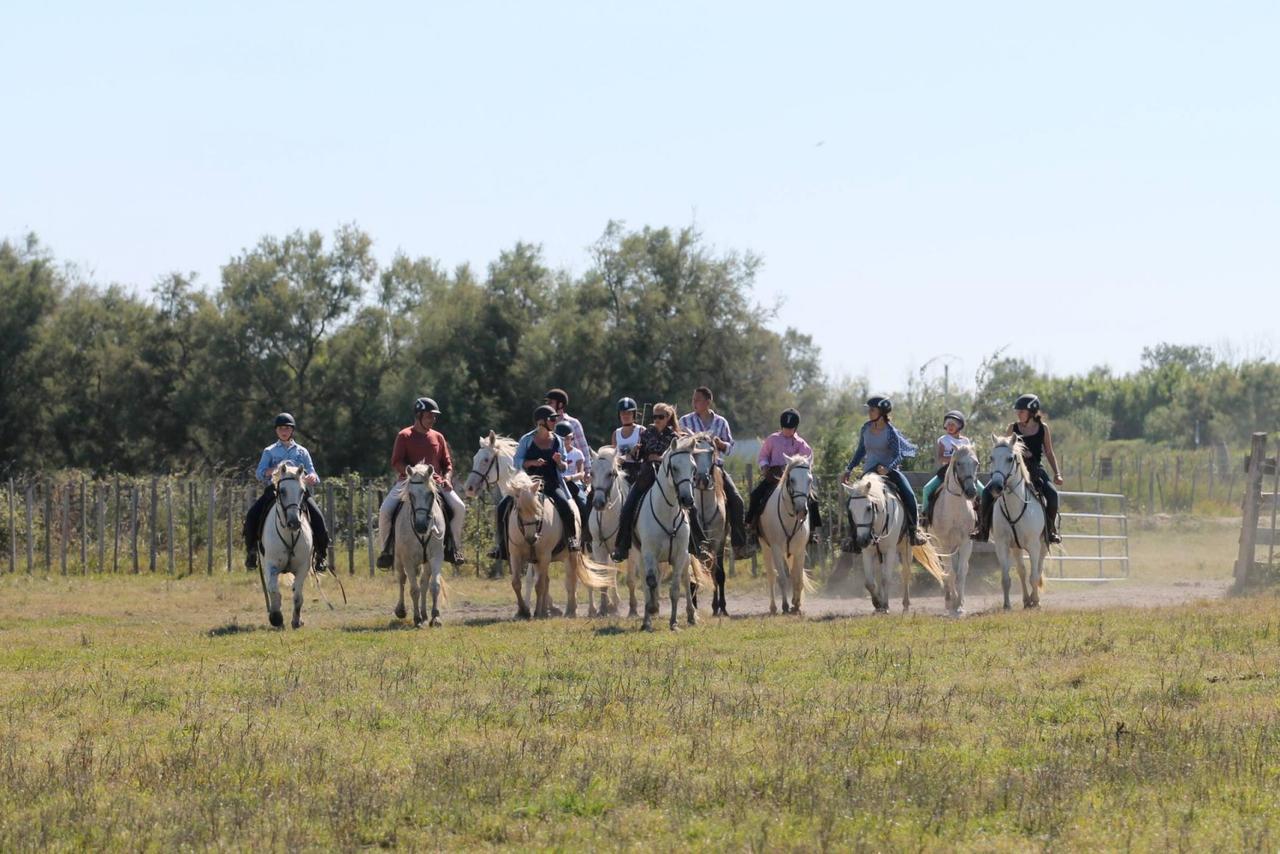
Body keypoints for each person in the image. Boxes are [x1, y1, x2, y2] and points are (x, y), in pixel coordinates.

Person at [610, 403, 711, 563]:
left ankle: (698, 545)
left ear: (668, 418)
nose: (656, 420)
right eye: (654, 416)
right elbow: (639, 458)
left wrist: (659, 458)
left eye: (660, 417)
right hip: (647, 473)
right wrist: (637, 451)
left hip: (670, 476)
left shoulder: (675, 437)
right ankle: (621, 547)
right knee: (628, 506)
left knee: (690, 506)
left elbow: (680, 459)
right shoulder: (646, 434)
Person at [375, 397, 467, 568]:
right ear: (418, 416)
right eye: (429, 416)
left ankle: (454, 547)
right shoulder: (404, 435)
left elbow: (447, 464)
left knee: (460, 507)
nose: (433, 419)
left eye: (434, 416)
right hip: (408, 482)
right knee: (385, 511)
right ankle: (386, 551)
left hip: (436, 482)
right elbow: (396, 462)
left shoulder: (438, 437)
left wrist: (447, 479)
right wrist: (413, 473)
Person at [243, 413, 330, 573]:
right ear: (276, 431)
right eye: (281, 428)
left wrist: (312, 477)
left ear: (292, 430)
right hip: (275, 491)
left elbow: (313, 473)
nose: (284, 431)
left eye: (287, 428)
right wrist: (272, 471)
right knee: (252, 516)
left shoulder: (302, 452)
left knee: (318, 519)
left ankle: (321, 555)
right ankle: (252, 552)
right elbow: (259, 473)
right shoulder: (269, 451)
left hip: (298, 494)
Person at [973, 394, 1063, 543]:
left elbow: (1049, 452)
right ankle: (982, 530)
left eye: (1021, 411)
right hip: (1013, 469)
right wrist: (1020, 453)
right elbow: (1006, 449)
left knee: (1053, 495)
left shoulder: (1043, 428)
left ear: (1032, 412)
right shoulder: (1012, 427)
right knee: (987, 494)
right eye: (1018, 411)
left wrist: (1057, 473)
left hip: (1035, 470)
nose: (1018, 414)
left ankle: (1050, 531)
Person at [678, 386, 754, 558]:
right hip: (691, 469)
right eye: (693, 399)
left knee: (737, 500)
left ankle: (738, 545)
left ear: (708, 402)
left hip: (716, 469)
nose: (694, 403)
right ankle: (674, 545)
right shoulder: (685, 421)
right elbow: (679, 442)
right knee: (675, 498)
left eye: (697, 399)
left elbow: (730, 447)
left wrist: (721, 445)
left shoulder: (721, 422)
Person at [841, 395, 927, 546]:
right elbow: (860, 451)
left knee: (909, 495)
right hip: (869, 472)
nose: (869, 412)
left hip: (889, 471)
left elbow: (898, 455)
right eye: (869, 410)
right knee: (852, 500)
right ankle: (853, 537)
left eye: (872, 410)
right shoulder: (865, 428)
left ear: (881, 412)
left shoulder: (891, 432)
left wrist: (888, 468)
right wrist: (849, 468)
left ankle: (914, 531)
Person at [745, 408, 823, 539]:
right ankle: (751, 526)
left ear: (795, 428)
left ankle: (812, 531)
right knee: (756, 494)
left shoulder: (802, 444)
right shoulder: (772, 439)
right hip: (774, 475)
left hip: (794, 479)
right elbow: (763, 456)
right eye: (785, 427)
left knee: (813, 499)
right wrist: (765, 468)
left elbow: (808, 462)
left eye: (790, 428)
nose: (787, 430)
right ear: (781, 426)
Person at [921, 410, 981, 527]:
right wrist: (954, 460)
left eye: (953, 424)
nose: (949, 427)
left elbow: (970, 456)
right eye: (948, 424)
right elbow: (940, 457)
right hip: (946, 471)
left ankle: (981, 519)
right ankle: (925, 517)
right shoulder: (943, 440)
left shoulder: (966, 441)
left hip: (964, 471)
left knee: (982, 490)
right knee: (927, 489)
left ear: (959, 426)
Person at [554, 420, 592, 552]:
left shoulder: (577, 453)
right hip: (558, 483)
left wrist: (570, 477)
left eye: (568, 439)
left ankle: (587, 536)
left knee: (584, 504)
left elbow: (581, 473)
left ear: (572, 438)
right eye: (562, 439)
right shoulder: (554, 452)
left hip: (573, 484)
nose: (565, 442)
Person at [544, 388, 589, 457]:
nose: (547, 405)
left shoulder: (573, 423)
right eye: (546, 402)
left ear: (560, 405)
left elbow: (583, 450)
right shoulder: (544, 424)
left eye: (550, 402)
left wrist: (587, 467)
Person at [611, 397, 644, 483]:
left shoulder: (641, 430)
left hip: (638, 471)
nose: (625, 415)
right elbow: (614, 457)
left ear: (634, 414)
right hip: (620, 472)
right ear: (619, 415)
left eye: (629, 413)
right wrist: (630, 453)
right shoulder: (615, 434)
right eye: (623, 413)